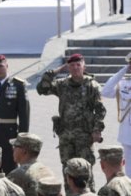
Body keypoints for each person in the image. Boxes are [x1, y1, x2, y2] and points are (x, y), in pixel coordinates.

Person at [36, 53, 106, 185]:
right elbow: (42, 89)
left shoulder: (92, 85)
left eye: (78, 65)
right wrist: (54, 71)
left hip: (84, 136)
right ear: (68, 67)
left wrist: (97, 130)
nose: (75, 68)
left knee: (85, 169)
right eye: (71, 65)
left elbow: (100, 110)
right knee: (67, 169)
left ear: (84, 66)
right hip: (66, 136)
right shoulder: (62, 84)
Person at [101, 53, 131, 175]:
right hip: (128, 134)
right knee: (129, 170)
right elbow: (106, 91)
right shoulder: (124, 83)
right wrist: (123, 71)